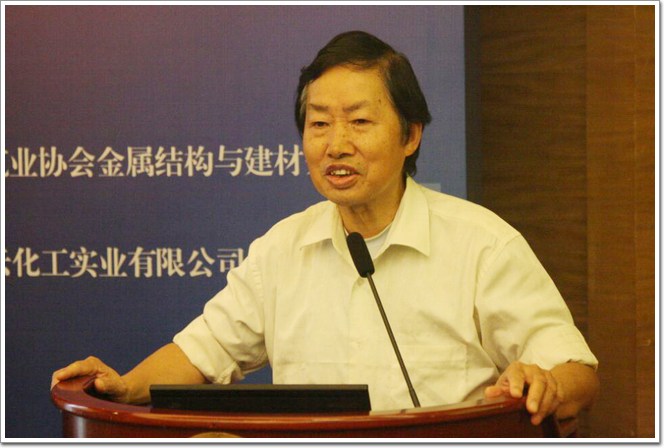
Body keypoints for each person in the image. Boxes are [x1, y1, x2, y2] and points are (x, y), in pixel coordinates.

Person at [51, 30, 599, 426]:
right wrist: (124, 386)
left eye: (359, 122)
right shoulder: (282, 249)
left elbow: (577, 371)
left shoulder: (482, 244)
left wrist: (548, 382)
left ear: (410, 135)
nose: (336, 144)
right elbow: (202, 351)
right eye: (318, 124)